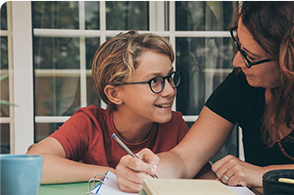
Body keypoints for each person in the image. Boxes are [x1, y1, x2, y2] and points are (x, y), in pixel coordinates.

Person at [115, 1, 294, 192]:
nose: (237, 62)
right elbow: (184, 158)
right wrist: (149, 167)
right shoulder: (243, 81)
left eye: (250, 57)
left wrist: (261, 174)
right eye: (239, 48)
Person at [27, 30, 214, 184]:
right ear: (114, 94)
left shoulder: (174, 125)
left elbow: (208, 180)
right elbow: (33, 163)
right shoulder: (89, 123)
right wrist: (112, 174)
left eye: (170, 77)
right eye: (155, 81)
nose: (170, 90)